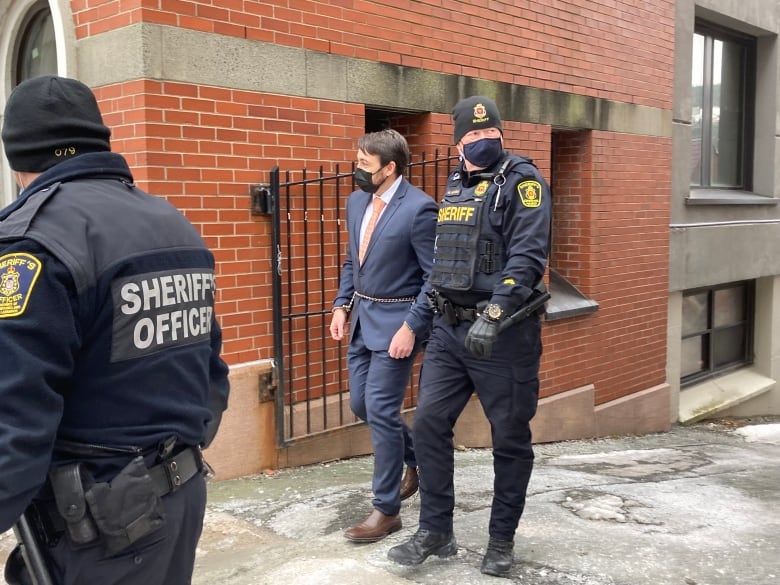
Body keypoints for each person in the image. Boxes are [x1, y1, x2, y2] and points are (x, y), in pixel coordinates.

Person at [0, 75, 230, 585]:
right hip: (175, 497)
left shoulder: (32, 242)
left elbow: (14, 419)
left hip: (97, 525)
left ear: (18, 158)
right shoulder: (174, 223)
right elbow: (211, 367)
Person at [387, 96, 551, 578]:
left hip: (504, 337)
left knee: (510, 439)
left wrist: (496, 312)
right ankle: (436, 531)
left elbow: (527, 256)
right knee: (429, 426)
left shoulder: (523, 183)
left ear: (501, 134)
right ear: (457, 143)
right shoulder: (457, 182)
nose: (483, 142)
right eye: (472, 137)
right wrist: (419, 323)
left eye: (490, 134)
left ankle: (501, 541)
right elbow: (445, 264)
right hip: (450, 330)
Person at [330, 129, 437, 543]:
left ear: (389, 168)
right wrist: (340, 305)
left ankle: (386, 509)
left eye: (364, 165)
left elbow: (434, 279)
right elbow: (351, 261)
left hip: (397, 327)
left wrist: (412, 327)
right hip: (360, 318)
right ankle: (418, 459)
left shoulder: (420, 209)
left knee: (378, 405)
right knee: (362, 403)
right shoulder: (357, 201)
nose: (357, 170)